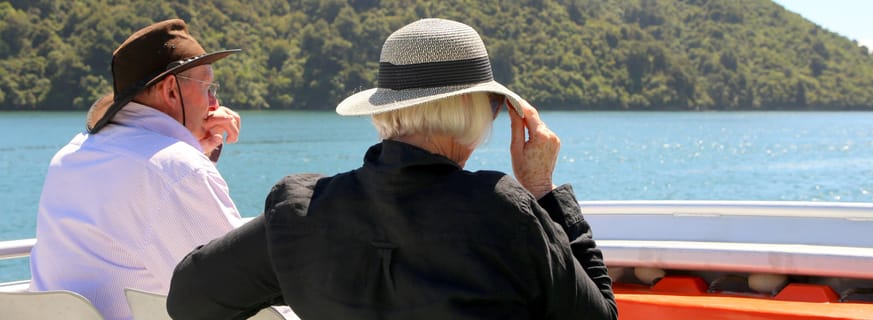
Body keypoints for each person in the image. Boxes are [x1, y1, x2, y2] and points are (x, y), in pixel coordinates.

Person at [167, 18, 617, 320]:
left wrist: (301, 275)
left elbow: (188, 301)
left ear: (385, 109)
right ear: (473, 111)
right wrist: (541, 188)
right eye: (494, 108)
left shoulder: (301, 212)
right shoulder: (504, 211)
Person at [29, 19, 244, 320]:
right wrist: (189, 157)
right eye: (208, 88)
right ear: (171, 91)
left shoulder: (70, 156)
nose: (214, 104)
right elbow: (241, 288)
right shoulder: (177, 168)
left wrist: (197, 150)